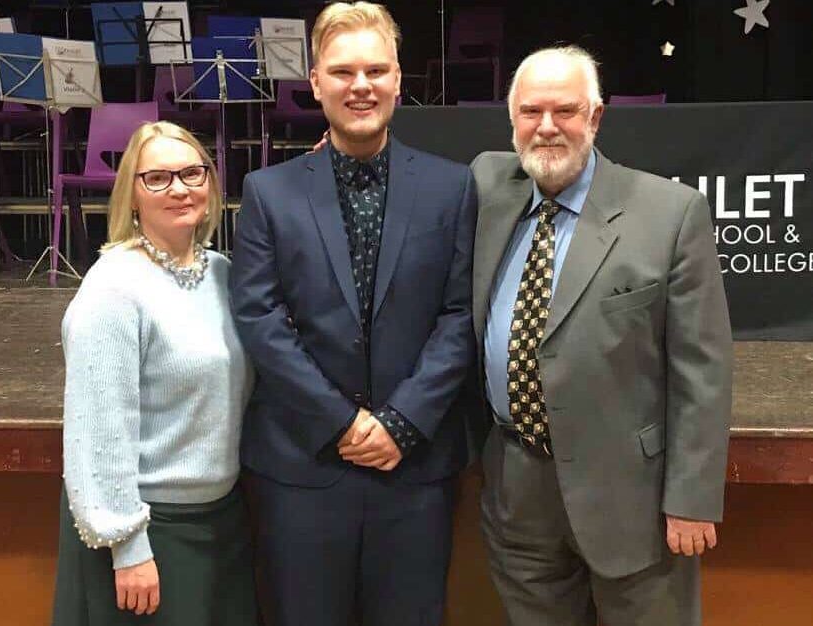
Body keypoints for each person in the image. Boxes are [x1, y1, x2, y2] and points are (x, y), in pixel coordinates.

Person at [229, 3, 476, 626]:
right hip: (302, 468)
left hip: (414, 468)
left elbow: (459, 316)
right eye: (342, 72)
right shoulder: (267, 192)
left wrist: (400, 422)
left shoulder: (453, 187)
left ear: (399, 78)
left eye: (375, 70)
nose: (360, 86)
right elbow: (259, 318)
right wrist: (340, 422)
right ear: (315, 82)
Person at [470, 45, 733, 626]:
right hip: (518, 495)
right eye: (530, 111)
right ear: (511, 118)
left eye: (565, 111)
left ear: (595, 117)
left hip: (631, 499)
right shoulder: (488, 187)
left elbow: (702, 371)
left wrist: (691, 499)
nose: (546, 127)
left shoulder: (671, 214)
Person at [51, 121, 257, 626]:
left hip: (220, 523)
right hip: (149, 533)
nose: (181, 188)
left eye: (192, 172)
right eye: (158, 178)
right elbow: (99, 428)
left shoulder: (225, 274)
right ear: (132, 195)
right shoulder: (115, 287)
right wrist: (127, 545)